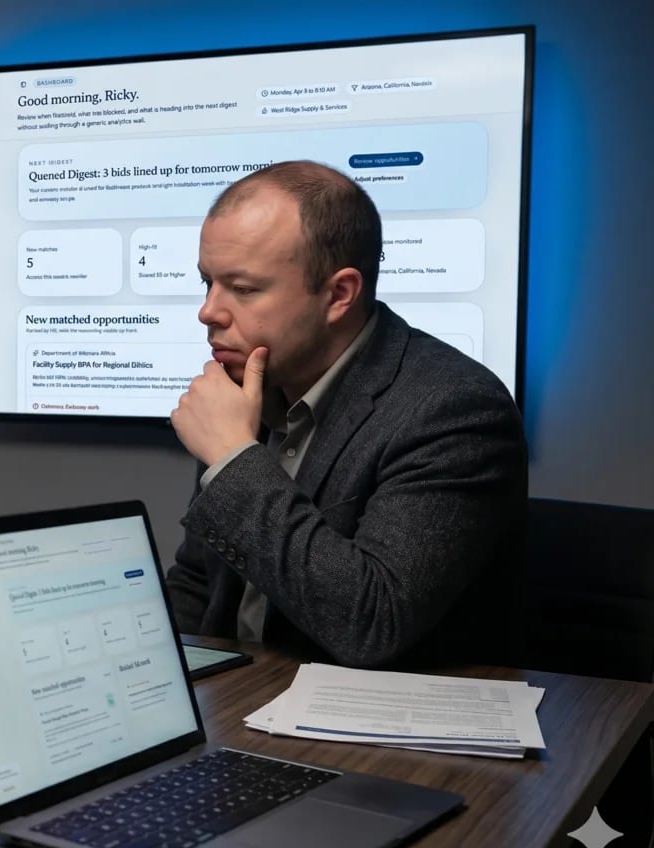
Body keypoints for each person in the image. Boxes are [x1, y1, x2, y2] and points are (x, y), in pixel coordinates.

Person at [165, 160, 527, 668]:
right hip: (239, 699)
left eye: (243, 289)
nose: (208, 311)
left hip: (384, 731)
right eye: (207, 282)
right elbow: (199, 583)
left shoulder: (455, 408)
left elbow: (373, 623)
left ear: (339, 294)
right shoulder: (245, 385)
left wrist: (233, 459)